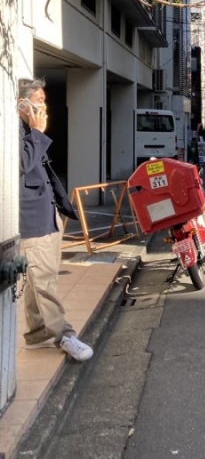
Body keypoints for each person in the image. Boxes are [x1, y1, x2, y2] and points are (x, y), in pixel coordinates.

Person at [18, 78, 93, 362]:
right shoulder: (12, 129)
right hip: (32, 220)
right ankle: (64, 335)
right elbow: (22, 164)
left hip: (46, 215)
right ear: (21, 103)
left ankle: (37, 334)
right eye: (37, 99)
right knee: (44, 280)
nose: (43, 105)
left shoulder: (27, 130)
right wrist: (37, 133)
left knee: (37, 280)